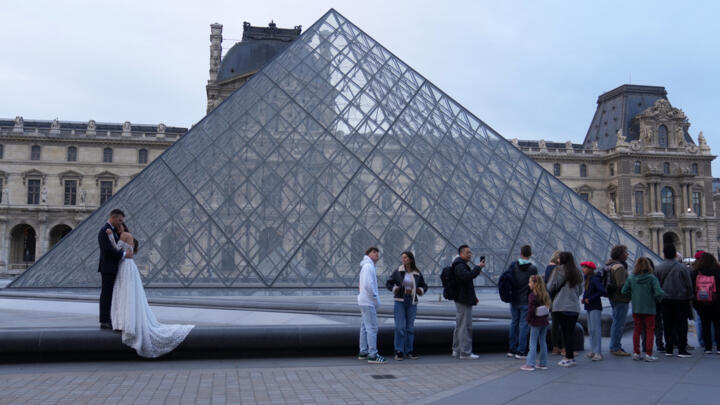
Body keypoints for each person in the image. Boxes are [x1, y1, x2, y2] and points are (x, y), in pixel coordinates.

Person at [107, 223, 194, 357]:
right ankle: (126, 321)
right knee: (129, 295)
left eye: (119, 227)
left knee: (125, 295)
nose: (118, 230)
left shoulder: (124, 235)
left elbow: (117, 250)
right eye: (116, 228)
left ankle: (125, 322)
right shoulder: (128, 236)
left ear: (123, 227)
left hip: (125, 267)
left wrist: (111, 237)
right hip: (129, 267)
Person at [386, 251, 428, 361]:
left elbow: (424, 285)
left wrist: (421, 290)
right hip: (400, 301)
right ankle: (399, 351)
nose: (403, 259)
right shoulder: (398, 271)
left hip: (412, 302)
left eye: (405, 257)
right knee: (400, 327)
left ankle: (409, 350)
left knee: (410, 328)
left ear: (410, 259)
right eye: (402, 258)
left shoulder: (417, 273)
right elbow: (388, 283)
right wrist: (395, 289)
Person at [621, 257, 665, 361]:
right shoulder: (652, 278)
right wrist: (658, 298)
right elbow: (659, 293)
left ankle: (636, 353)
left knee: (637, 330)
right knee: (650, 330)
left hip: (636, 308)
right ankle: (648, 354)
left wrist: (633, 297)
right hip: (649, 308)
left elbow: (623, 291)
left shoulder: (631, 278)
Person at [655, 244, 693, 357]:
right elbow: (689, 284)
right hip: (681, 300)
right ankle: (682, 349)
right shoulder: (682, 268)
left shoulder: (659, 268)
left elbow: (656, 285)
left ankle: (669, 349)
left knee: (667, 324)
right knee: (682, 324)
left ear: (665, 254)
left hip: (665, 300)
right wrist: (690, 296)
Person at [98, 209, 133, 330]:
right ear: (113, 217)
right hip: (108, 267)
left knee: (113, 294)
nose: (121, 223)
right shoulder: (104, 231)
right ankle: (104, 320)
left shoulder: (113, 231)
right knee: (106, 294)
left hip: (115, 266)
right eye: (119, 220)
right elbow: (108, 250)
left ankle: (111, 318)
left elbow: (117, 246)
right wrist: (123, 255)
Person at [548, 252, 584, 367]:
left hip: (560, 305)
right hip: (574, 306)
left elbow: (550, 287)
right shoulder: (577, 272)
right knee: (571, 332)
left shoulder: (558, 270)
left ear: (561, 260)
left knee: (564, 332)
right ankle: (570, 356)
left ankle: (568, 358)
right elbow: (580, 290)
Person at [451, 245, 486, 359]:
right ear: (461, 254)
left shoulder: (459, 265)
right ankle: (465, 352)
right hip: (463, 299)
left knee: (460, 325)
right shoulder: (460, 265)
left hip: (463, 298)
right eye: (468, 252)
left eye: (470, 252)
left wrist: (473, 297)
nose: (470, 254)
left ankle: (456, 350)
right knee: (465, 326)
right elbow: (467, 277)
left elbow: (466, 283)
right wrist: (478, 267)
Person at [506, 245, 538, 359]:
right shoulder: (533, 269)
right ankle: (521, 351)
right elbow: (535, 285)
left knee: (514, 323)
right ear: (530, 254)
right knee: (524, 325)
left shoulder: (513, 266)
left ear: (520, 253)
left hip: (514, 299)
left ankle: (511, 349)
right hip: (526, 300)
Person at [358, 247, 386, 363]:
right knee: (372, 328)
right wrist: (374, 297)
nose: (377, 255)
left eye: (377, 253)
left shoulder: (365, 266)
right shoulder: (369, 266)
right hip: (368, 301)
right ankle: (373, 355)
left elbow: (361, 284)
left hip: (363, 301)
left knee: (364, 328)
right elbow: (368, 285)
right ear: (368, 254)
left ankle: (363, 352)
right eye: (374, 252)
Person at [691, 253, 720, 354]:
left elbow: (692, 289)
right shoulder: (717, 271)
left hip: (702, 302)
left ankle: (707, 347)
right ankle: (719, 347)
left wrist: (696, 303)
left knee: (705, 325)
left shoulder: (696, 272)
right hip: (716, 302)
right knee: (717, 324)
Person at [521, 275, 551, 371]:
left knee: (532, 343)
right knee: (543, 342)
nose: (528, 284)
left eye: (530, 282)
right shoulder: (545, 294)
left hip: (535, 322)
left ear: (535, 284)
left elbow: (531, 310)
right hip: (544, 321)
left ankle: (530, 364)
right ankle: (543, 363)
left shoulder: (532, 295)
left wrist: (528, 320)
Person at [606, 245, 632, 356]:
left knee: (616, 322)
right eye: (626, 252)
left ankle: (614, 346)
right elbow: (622, 285)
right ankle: (616, 347)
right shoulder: (619, 267)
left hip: (614, 297)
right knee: (619, 324)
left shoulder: (611, 265)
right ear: (620, 254)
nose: (627, 254)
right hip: (620, 299)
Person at [581, 261, 606, 361]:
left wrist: (590, 299)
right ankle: (593, 350)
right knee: (591, 330)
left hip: (594, 306)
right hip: (589, 306)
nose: (583, 269)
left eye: (585, 268)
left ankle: (598, 352)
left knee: (596, 330)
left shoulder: (594, 279)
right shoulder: (588, 279)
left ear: (590, 269)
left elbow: (602, 291)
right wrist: (584, 299)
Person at [544, 251, 563, 355]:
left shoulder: (548, 268)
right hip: (559, 299)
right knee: (563, 324)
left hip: (551, 299)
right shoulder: (557, 269)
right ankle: (563, 348)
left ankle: (555, 347)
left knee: (555, 324)